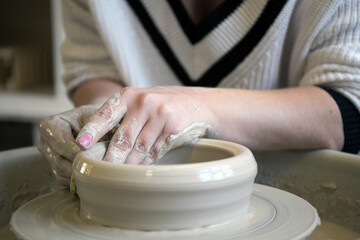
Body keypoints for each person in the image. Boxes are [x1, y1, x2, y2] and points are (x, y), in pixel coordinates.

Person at [38, 0, 360, 185]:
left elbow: (348, 103)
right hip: (145, 203)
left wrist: (197, 107)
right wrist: (102, 125)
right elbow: (95, 71)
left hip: (289, 193)